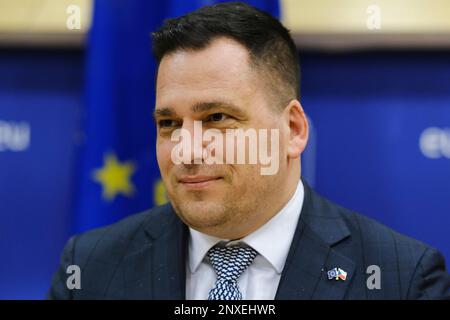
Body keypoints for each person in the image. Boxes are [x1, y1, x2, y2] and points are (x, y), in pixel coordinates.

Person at [48, 2, 450, 300]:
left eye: (218, 118)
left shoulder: (401, 280)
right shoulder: (89, 269)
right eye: (168, 124)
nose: (186, 151)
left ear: (292, 129)